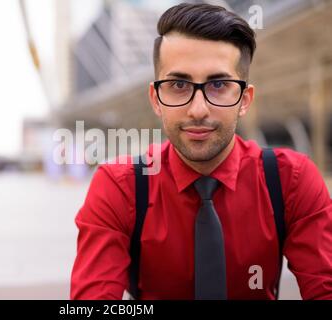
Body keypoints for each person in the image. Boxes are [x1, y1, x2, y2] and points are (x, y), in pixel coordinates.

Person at [70, 3, 332, 300]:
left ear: (245, 100)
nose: (198, 109)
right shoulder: (120, 187)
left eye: (218, 84)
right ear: (156, 99)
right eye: (179, 84)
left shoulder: (290, 181)